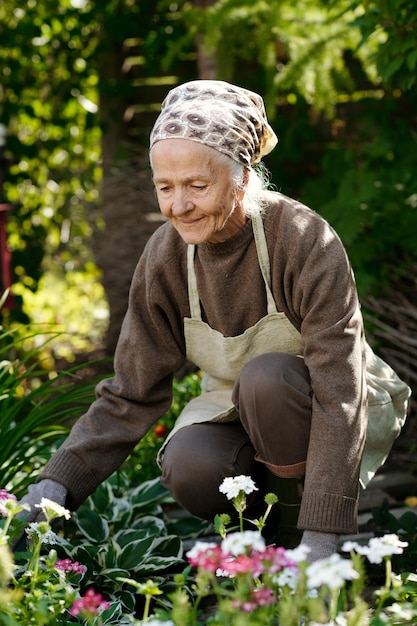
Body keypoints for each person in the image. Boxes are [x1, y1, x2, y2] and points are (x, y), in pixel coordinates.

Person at [20, 80, 411, 561]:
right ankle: (261, 541)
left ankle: (301, 539)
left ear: (243, 176)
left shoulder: (304, 240)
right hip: (235, 407)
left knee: (267, 377)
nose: (177, 206)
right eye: (165, 187)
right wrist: (55, 485)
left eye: (196, 186)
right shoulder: (164, 258)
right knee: (190, 462)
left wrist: (323, 536)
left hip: (325, 408)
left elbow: (339, 385)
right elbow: (131, 390)